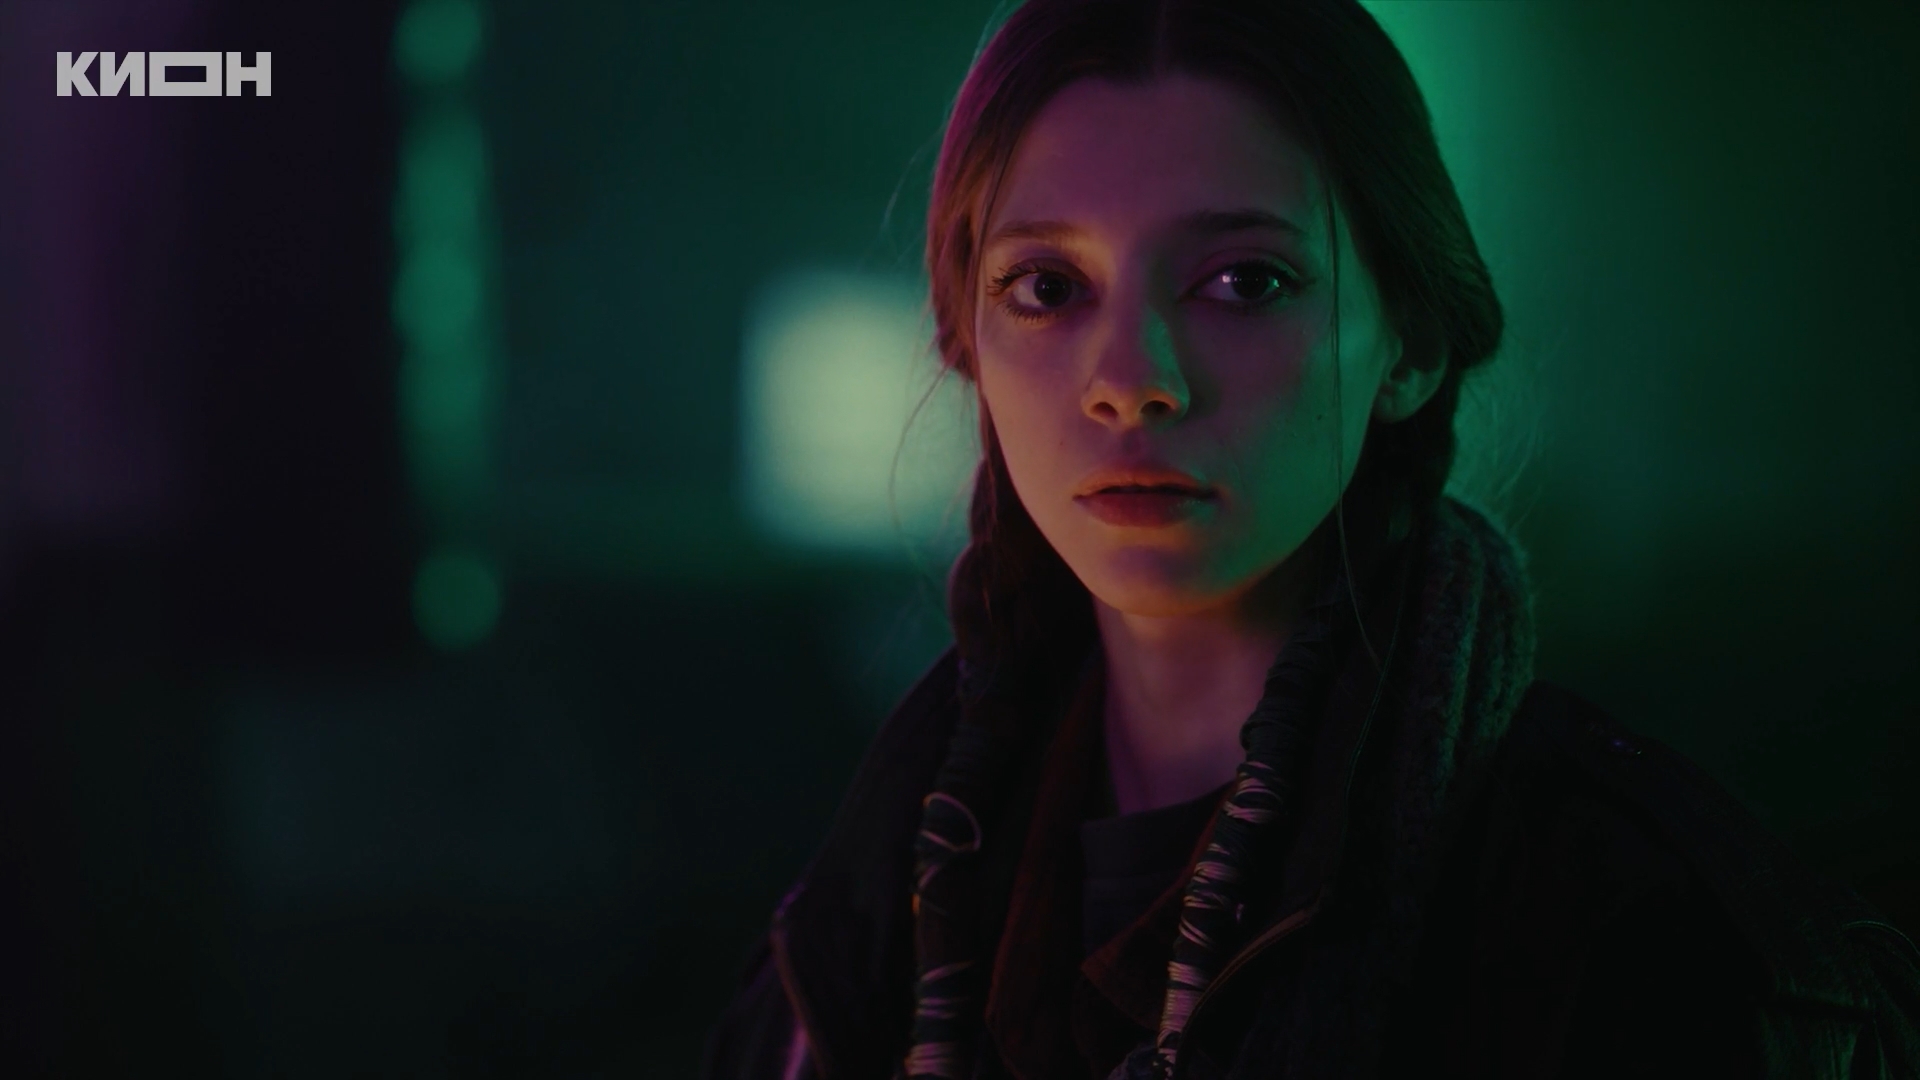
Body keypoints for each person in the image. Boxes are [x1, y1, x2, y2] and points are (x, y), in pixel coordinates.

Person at [702, 0, 1920, 1076]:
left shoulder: (1660, 952)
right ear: (966, 341)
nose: (1131, 381)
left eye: (1244, 281)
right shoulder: (843, 952)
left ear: (1413, 342)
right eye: (1047, 288)